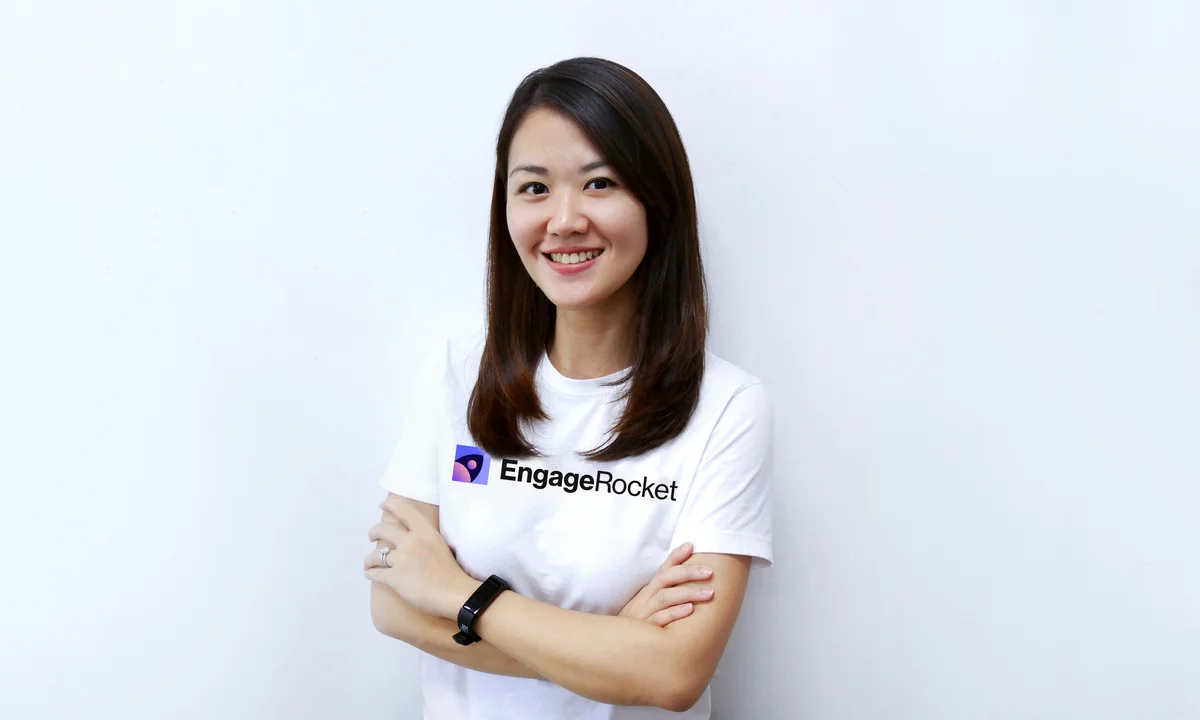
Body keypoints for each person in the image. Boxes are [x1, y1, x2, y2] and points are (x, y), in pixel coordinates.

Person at [363, 56, 773, 719]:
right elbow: (392, 603)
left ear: (656, 202)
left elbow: (672, 675)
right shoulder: (455, 373)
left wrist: (465, 600)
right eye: (533, 188)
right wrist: (616, 641)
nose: (563, 220)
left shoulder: (727, 408)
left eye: (600, 183)